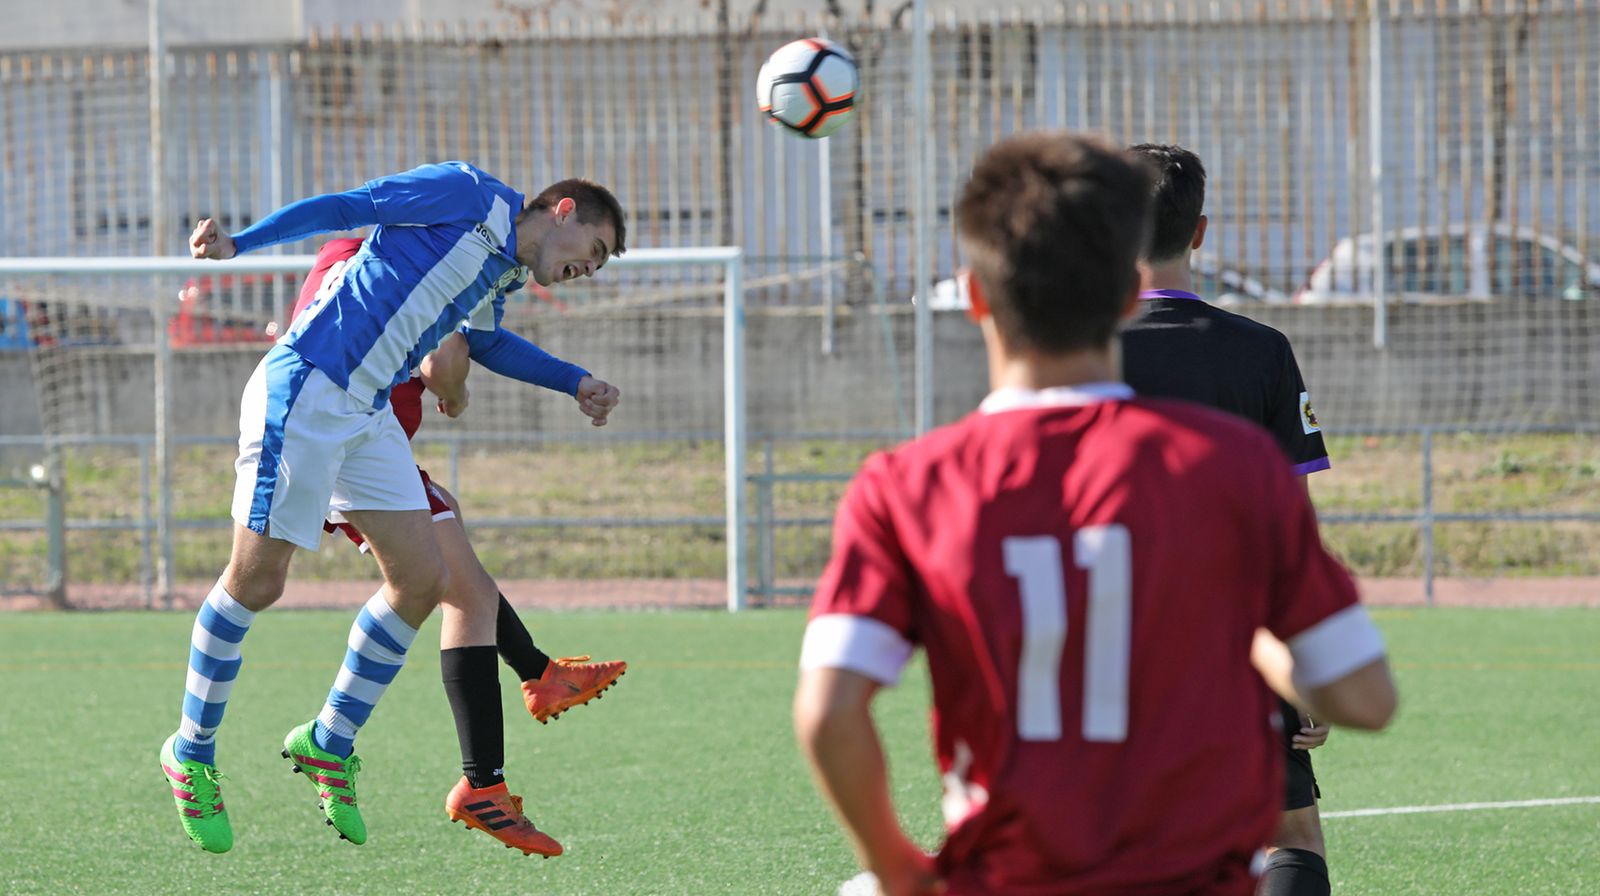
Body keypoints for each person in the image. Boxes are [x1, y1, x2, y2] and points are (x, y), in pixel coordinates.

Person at [793, 131, 1398, 896]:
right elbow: (1368, 697)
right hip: (1189, 873)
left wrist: (898, 869)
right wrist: (1270, 651)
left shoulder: (906, 485)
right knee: (1292, 836)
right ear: (1122, 296)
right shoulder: (1236, 467)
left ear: (975, 295)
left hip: (1008, 875)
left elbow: (827, 714)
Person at [159, 162, 625, 854]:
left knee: (424, 579)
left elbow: (484, 341)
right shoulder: (467, 193)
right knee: (258, 582)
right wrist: (242, 245)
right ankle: (190, 751)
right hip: (310, 389)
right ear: (562, 210)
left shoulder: (499, 269)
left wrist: (574, 381)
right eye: (595, 250)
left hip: (367, 413)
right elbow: (348, 204)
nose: (592, 268)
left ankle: (328, 741)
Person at [288, 238, 627, 857]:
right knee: (457, 594)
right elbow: (448, 354)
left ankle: (534, 677)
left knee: (453, 565)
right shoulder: (419, 258)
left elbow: (477, 339)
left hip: (352, 443)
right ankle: (483, 781)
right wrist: (456, 393)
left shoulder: (355, 252)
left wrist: (572, 380)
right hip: (354, 450)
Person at [1120, 143, 1335, 896]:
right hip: (1237, 636)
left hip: (1108, 640)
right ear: (1200, 231)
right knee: (1291, 832)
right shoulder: (1263, 352)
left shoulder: (1068, 357)